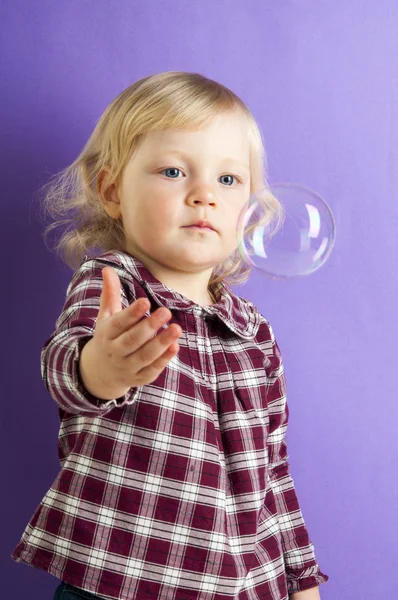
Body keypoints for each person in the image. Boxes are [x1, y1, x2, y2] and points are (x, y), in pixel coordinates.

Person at [11, 71, 329, 600]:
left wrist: (299, 579)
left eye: (228, 180)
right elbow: (65, 369)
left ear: (249, 208)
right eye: (174, 171)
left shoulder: (253, 333)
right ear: (112, 191)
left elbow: (273, 471)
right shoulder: (114, 285)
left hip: (240, 585)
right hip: (122, 579)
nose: (204, 194)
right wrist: (101, 368)